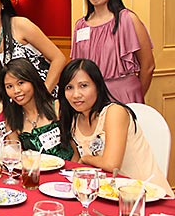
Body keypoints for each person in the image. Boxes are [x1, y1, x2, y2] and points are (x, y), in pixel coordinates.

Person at [58, 59, 171, 194]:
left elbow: (111, 164)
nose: (76, 94)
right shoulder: (74, 120)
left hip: (146, 194)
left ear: (97, 86)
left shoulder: (114, 112)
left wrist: (86, 159)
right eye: (69, 88)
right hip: (108, 193)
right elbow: (77, 162)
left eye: (83, 86)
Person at [71, 0, 155, 104]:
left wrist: (135, 96)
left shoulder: (127, 19)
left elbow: (148, 66)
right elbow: (77, 69)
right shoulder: (80, 26)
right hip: (91, 98)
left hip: (124, 95)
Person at [0, 58, 75, 161]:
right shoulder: (12, 120)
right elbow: (18, 158)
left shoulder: (57, 107)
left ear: (33, 81)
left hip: (70, 168)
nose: (16, 90)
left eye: (21, 83)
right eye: (9, 86)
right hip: (35, 170)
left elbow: (77, 149)